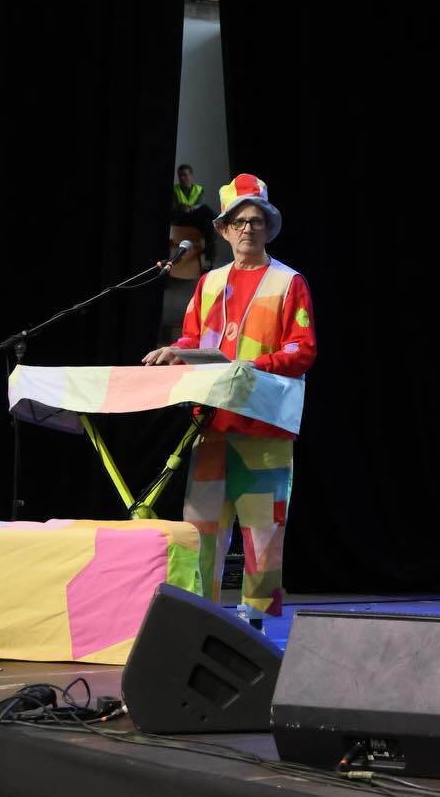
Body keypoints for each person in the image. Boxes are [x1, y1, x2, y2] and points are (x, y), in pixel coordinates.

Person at [144, 173, 317, 629]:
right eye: (239, 221)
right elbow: (190, 337)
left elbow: (304, 350)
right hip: (212, 425)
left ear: (268, 227)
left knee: (262, 532)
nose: (247, 229)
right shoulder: (209, 283)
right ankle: (198, 620)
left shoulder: (289, 283)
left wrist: (254, 368)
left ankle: (254, 626)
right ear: (223, 229)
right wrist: (175, 354)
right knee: (200, 529)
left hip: (263, 427)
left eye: (256, 221)